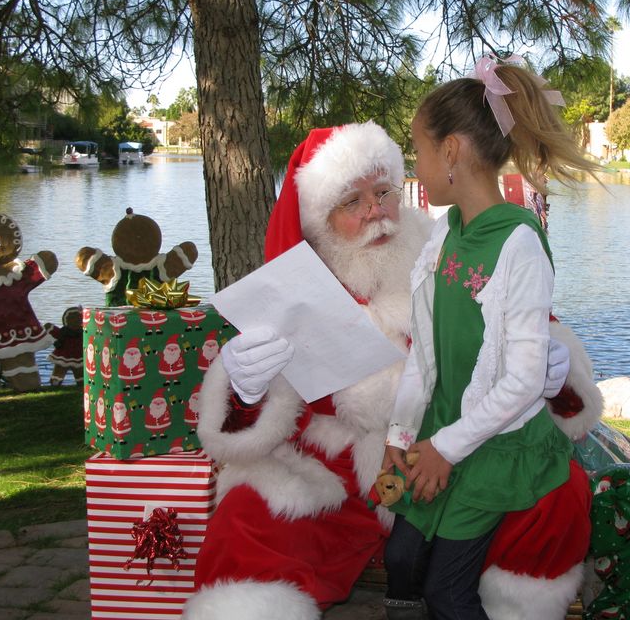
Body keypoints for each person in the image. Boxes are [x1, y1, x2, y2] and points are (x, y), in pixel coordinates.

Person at [184, 121, 602, 620]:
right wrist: (245, 387)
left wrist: (555, 377)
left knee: (554, 495)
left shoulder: (446, 244)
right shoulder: (292, 287)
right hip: (337, 465)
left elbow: (532, 330)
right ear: (319, 218)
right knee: (249, 518)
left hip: (451, 448)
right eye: (352, 203)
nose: (376, 213)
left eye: (383, 192)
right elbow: (259, 424)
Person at [380, 56, 602, 619]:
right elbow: (424, 356)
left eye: (420, 150)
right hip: (444, 432)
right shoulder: (447, 235)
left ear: (451, 151)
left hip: (493, 442)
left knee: (446, 592)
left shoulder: (518, 245)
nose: (417, 163)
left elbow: (526, 380)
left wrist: (446, 448)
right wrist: (402, 434)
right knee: (401, 557)